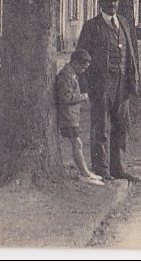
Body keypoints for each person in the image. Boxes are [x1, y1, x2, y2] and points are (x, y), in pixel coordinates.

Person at [76, 0, 141, 182]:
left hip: (122, 84)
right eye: (108, 1)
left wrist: (133, 79)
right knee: (100, 127)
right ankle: (101, 168)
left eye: (115, 1)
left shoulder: (123, 23)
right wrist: (85, 87)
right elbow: (80, 58)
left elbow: (130, 53)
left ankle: (118, 168)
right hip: (101, 86)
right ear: (100, 4)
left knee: (121, 126)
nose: (111, 5)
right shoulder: (91, 27)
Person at [56, 49, 105, 186]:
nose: (84, 70)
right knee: (77, 143)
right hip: (68, 117)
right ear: (76, 63)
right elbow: (64, 97)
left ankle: (86, 172)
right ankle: (85, 173)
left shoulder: (71, 74)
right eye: (83, 67)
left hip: (72, 116)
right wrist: (81, 97)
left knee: (77, 143)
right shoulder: (66, 76)